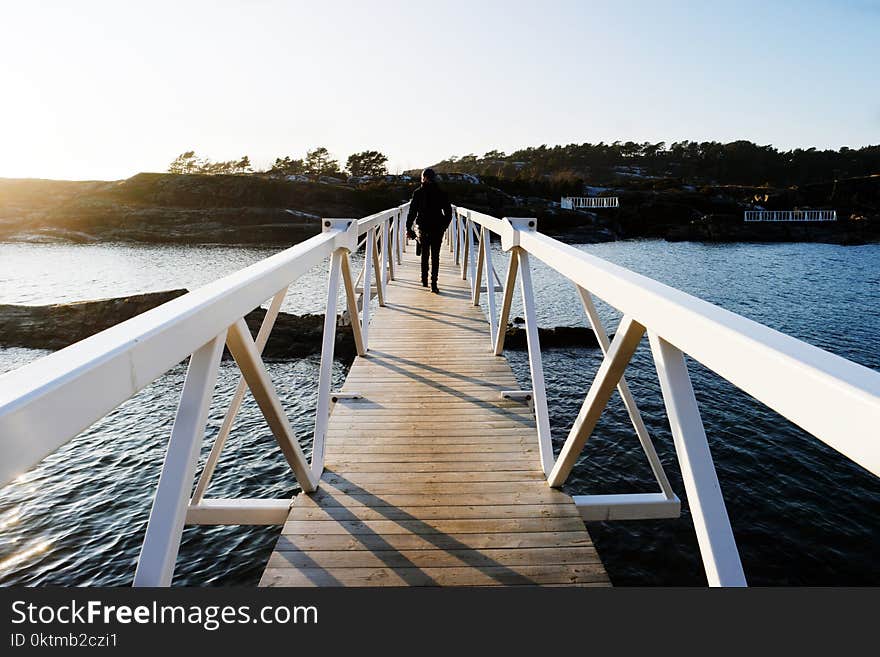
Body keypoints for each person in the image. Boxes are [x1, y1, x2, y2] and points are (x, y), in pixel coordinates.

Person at [406, 168, 451, 293]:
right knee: (435, 256)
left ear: (424, 177)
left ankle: (424, 280)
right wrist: (444, 226)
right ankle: (434, 284)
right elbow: (448, 213)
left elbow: (412, 212)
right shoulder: (441, 192)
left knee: (425, 254)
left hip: (423, 227)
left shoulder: (418, 193)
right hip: (437, 228)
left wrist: (408, 227)